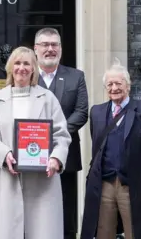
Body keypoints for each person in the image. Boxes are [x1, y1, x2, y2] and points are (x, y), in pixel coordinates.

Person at [0, 46, 72, 239]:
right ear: (11, 67)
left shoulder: (47, 99)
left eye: (26, 63)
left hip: (41, 183)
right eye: (17, 63)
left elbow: (61, 135)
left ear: (33, 69)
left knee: (41, 232)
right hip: (5, 179)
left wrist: (55, 158)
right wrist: (4, 155)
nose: (22, 67)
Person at [80, 62, 141, 239]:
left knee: (135, 233)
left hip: (132, 184)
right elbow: (97, 145)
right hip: (105, 183)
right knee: (104, 232)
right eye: (110, 84)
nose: (114, 88)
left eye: (118, 83)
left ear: (128, 85)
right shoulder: (96, 112)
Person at [33, 28, 88, 239]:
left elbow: (81, 112)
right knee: (35, 211)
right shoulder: (26, 75)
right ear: (35, 49)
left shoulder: (76, 76)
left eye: (54, 44)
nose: (50, 49)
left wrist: (54, 134)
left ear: (61, 49)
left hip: (67, 156)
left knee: (66, 213)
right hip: (31, 153)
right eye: (45, 45)